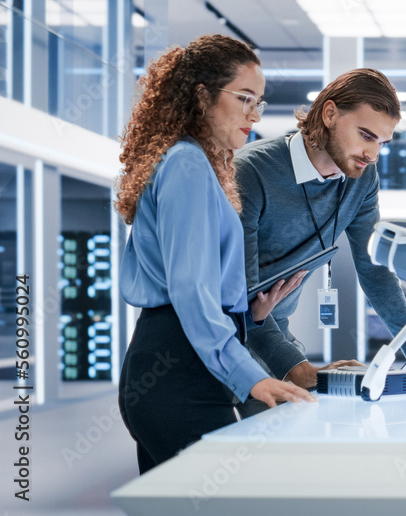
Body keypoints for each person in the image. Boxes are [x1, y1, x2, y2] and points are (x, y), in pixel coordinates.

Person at [115, 35, 315, 474]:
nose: (254, 114)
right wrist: (252, 376)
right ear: (201, 96)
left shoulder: (193, 162)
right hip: (176, 370)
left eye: (259, 102)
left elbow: (196, 284)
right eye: (244, 98)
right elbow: (190, 290)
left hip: (172, 362)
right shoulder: (186, 164)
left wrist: (251, 312)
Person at [235, 68, 406, 392]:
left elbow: (375, 272)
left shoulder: (362, 179)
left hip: (276, 342)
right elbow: (244, 299)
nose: (373, 154)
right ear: (330, 113)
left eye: (382, 142)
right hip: (225, 345)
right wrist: (299, 369)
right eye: (366, 135)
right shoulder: (251, 172)